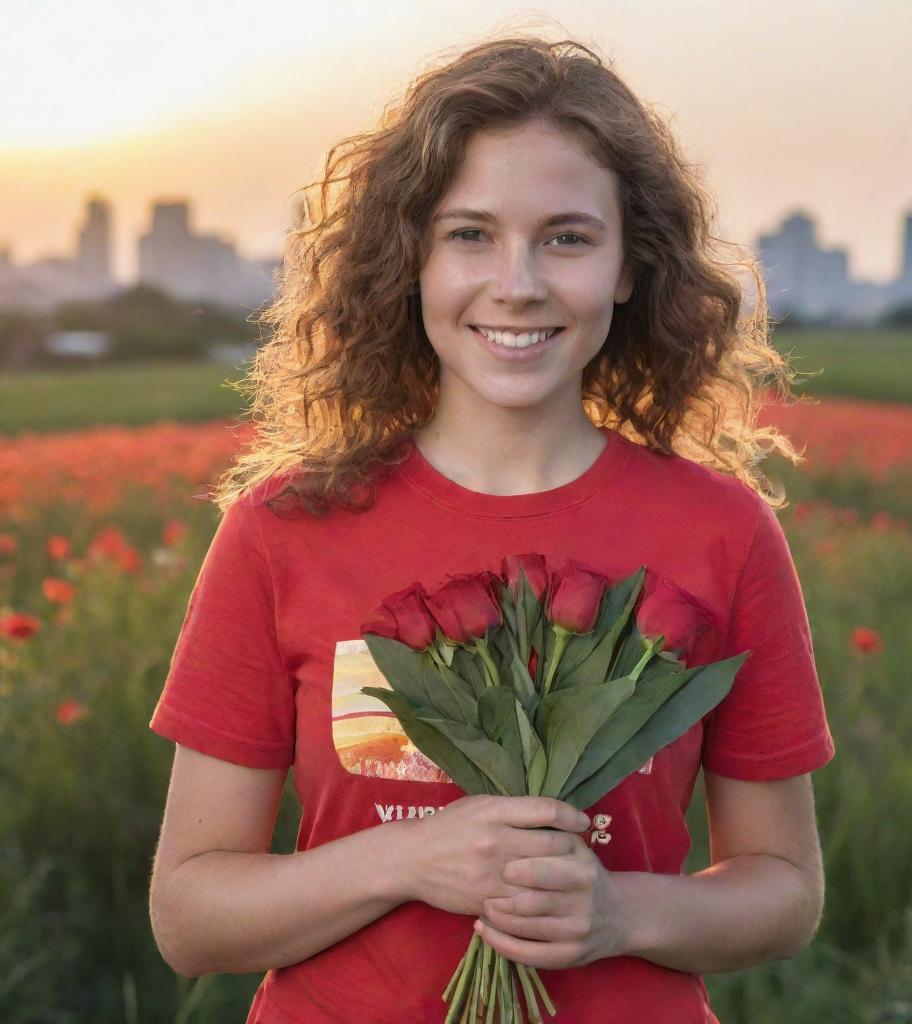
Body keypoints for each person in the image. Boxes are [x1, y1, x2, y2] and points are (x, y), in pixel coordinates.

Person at [147, 32, 835, 1024]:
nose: (516, 283)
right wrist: (412, 858)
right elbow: (189, 915)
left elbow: (784, 889)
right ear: (411, 259)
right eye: (469, 234)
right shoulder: (284, 530)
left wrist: (617, 912)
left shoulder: (720, 531)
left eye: (566, 237)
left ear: (630, 267)